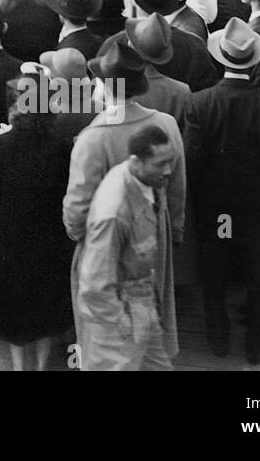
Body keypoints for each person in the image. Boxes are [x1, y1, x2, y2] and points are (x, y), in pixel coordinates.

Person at [186, 19, 260, 364]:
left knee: (214, 272)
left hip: (216, 208)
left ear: (221, 59)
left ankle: (218, 336)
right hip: (257, 208)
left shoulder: (199, 104)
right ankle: (255, 343)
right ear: (255, 62)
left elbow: (192, 162)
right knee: (259, 274)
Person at [0, 67, 75, 369]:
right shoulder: (62, 148)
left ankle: (20, 366)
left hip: (8, 239)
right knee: (45, 308)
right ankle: (43, 365)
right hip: (49, 239)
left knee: (15, 311)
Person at [75, 123, 180, 371]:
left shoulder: (139, 177)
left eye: (170, 162)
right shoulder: (114, 213)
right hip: (119, 319)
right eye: (160, 164)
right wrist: (122, 326)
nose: (168, 171)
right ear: (136, 161)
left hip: (141, 305)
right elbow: (94, 286)